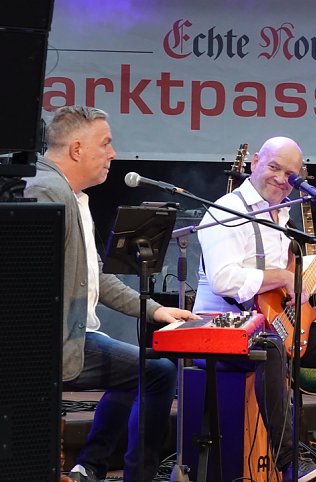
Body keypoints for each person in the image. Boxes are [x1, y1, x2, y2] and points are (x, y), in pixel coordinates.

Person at [192, 136, 316, 482]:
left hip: (273, 323)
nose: (281, 179)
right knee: (270, 351)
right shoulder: (224, 211)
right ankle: (291, 463)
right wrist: (281, 277)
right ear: (255, 162)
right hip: (225, 329)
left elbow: (296, 278)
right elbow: (225, 279)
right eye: (274, 167)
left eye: (290, 175)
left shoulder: (280, 215)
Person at [24, 105, 199, 482]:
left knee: (143, 369)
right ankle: (131, 473)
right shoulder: (46, 193)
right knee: (154, 372)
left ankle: (91, 466)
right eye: (105, 143)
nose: (113, 153)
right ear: (76, 150)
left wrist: (155, 311)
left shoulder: (73, 195)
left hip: (77, 334)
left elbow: (95, 278)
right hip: (49, 346)